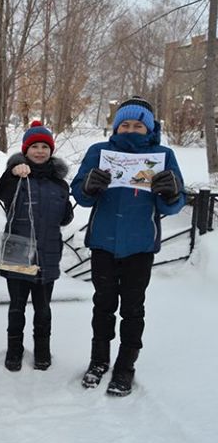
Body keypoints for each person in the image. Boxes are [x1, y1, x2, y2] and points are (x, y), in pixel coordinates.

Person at [71, 96, 186, 396]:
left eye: (138, 125)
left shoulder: (162, 155)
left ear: (148, 128)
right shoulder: (99, 152)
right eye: (125, 124)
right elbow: (80, 194)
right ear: (116, 126)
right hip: (103, 244)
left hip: (140, 246)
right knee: (103, 305)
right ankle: (98, 362)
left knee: (133, 309)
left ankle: (125, 367)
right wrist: (89, 186)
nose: (131, 129)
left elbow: (174, 202)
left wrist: (171, 193)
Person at [0, 121, 73, 372]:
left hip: (48, 254)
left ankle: (42, 351)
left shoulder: (59, 183)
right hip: (19, 251)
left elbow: (66, 217)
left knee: (43, 309)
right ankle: (14, 352)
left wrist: (65, 207)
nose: (39, 151)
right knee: (17, 307)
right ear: (25, 150)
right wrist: (11, 172)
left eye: (44, 146)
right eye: (34, 147)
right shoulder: (15, 178)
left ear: (51, 150)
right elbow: (0, 193)